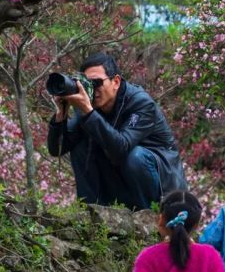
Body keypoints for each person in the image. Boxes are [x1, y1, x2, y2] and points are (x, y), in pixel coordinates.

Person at [47, 52, 187, 209]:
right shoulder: (89, 105)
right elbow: (56, 149)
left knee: (135, 156)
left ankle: (149, 218)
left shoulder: (141, 104)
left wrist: (88, 111)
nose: (93, 89)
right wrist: (61, 114)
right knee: (80, 145)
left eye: (97, 82)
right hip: (122, 183)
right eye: (88, 83)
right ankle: (91, 214)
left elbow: (121, 148)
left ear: (116, 81)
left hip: (161, 190)